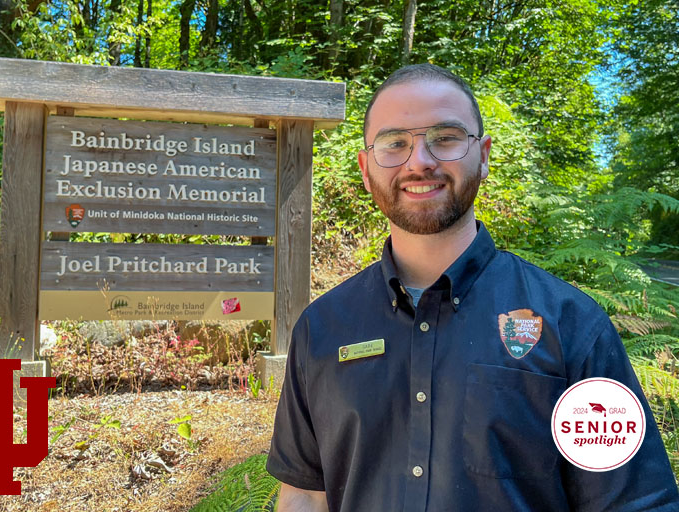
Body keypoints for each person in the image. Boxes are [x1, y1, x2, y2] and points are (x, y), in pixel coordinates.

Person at [265, 63, 679, 511]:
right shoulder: (321, 329)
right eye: (395, 143)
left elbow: (636, 503)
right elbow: (305, 494)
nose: (419, 160)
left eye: (444, 138)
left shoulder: (572, 326)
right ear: (367, 169)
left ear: (482, 155)